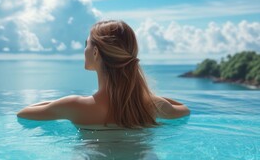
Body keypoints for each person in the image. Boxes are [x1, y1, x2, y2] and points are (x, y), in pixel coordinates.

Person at [17, 20, 190, 129]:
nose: (84, 49)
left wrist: (59, 102)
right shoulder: (152, 105)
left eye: (87, 44)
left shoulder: (74, 106)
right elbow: (184, 110)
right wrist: (143, 95)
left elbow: (24, 113)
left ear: (95, 53)